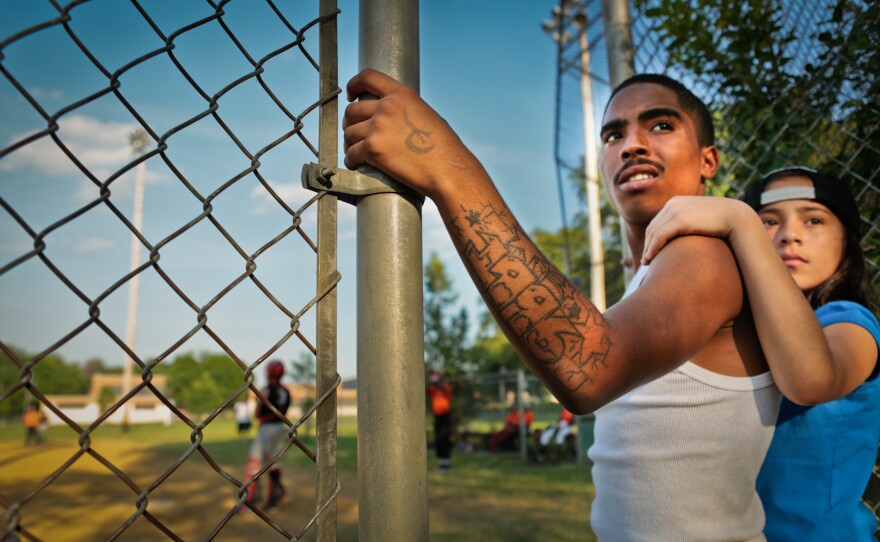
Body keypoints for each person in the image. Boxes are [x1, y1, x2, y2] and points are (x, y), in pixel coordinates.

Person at [344, 69, 781, 539]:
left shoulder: (708, 252)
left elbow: (589, 366)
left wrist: (447, 166)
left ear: (708, 160)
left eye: (660, 126)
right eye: (614, 134)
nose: (632, 144)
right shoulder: (653, 278)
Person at [643, 166, 880, 541]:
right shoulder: (743, 335)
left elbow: (813, 381)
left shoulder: (848, 320)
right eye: (767, 222)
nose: (789, 236)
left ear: (847, 243)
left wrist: (740, 220)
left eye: (814, 220)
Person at [243, 360, 291, 511]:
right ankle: (274, 500)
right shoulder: (286, 391)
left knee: (254, 462)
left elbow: (257, 413)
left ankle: (251, 500)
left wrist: (260, 402)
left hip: (266, 429)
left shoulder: (266, 390)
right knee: (274, 463)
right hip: (280, 428)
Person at [427, 372, 454, 471]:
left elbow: (447, 390)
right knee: (439, 440)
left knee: (445, 439)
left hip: (445, 417)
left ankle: (447, 463)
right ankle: (442, 463)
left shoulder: (446, 388)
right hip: (437, 417)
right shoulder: (433, 390)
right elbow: (426, 391)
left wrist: (440, 382)